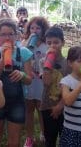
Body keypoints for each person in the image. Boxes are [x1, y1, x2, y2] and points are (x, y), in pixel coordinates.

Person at [0, 18, 33, 147]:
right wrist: (1, 63)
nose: (7, 37)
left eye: (10, 34)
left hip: (17, 102)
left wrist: (22, 74)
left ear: (16, 35)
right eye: (3, 34)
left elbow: (29, 80)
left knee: (14, 142)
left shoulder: (24, 52)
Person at [21, 17, 50, 147]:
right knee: (29, 109)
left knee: (41, 108)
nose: (35, 30)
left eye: (38, 28)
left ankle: (44, 133)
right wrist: (27, 43)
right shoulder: (25, 43)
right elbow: (20, 56)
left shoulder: (47, 44)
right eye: (32, 28)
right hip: (29, 80)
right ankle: (29, 137)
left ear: (43, 30)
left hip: (42, 82)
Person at [40, 26, 70, 147]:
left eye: (56, 42)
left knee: (65, 139)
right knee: (50, 139)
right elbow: (46, 82)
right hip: (47, 106)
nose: (53, 45)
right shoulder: (43, 61)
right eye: (49, 43)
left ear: (63, 42)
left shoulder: (68, 63)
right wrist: (48, 62)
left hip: (65, 107)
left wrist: (60, 106)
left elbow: (70, 87)